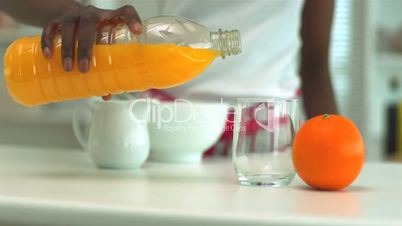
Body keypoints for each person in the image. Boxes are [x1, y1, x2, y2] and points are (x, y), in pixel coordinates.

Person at [0, 0, 337, 117]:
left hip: (268, 135)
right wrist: (68, 11)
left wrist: (337, 142)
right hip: (172, 130)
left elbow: (316, 62)